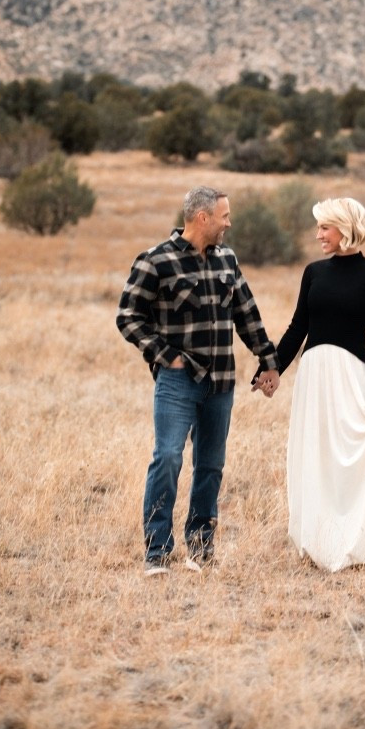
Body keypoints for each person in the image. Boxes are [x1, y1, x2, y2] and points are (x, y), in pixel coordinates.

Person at [117, 186, 279, 576]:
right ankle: (157, 552)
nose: (230, 223)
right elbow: (128, 317)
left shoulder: (227, 259)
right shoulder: (156, 261)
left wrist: (268, 361)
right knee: (168, 457)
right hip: (178, 380)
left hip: (222, 381)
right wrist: (165, 356)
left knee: (210, 465)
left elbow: (247, 313)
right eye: (224, 216)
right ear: (202, 217)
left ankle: (201, 551)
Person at [254, 196, 365, 571]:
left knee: (347, 462)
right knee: (317, 458)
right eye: (318, 227)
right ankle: (320, 543)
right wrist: (272, 368)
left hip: (352, 377)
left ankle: (353, 543)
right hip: (314, 376)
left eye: (324, 227)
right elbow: (298, 327)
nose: (318, 235)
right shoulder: (314, 272)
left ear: (345, 229)